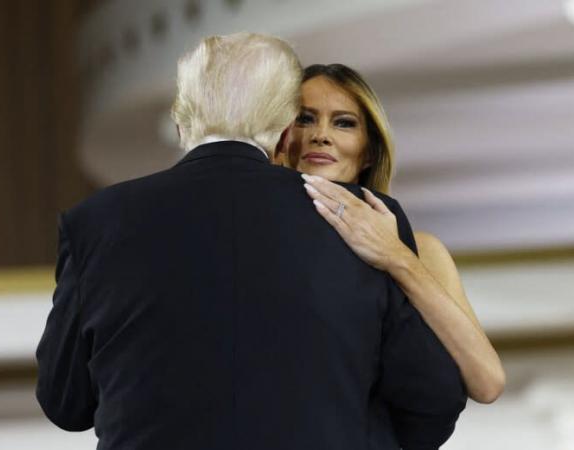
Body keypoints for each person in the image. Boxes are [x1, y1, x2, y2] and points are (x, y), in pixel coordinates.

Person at [35, 33, 466, 450]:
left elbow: (65, 403)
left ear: (179, 122)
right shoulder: (358, 218)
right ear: (283, 130)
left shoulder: (94, 222)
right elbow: (432, 404)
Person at [276, 63, 506, 404]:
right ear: (279, 135)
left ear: (368, 151)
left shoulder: (421, 249)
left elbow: (487, 383)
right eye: (305, 118)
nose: (320, 134)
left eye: (343, 123)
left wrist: (395, 257)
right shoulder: (259, 239)